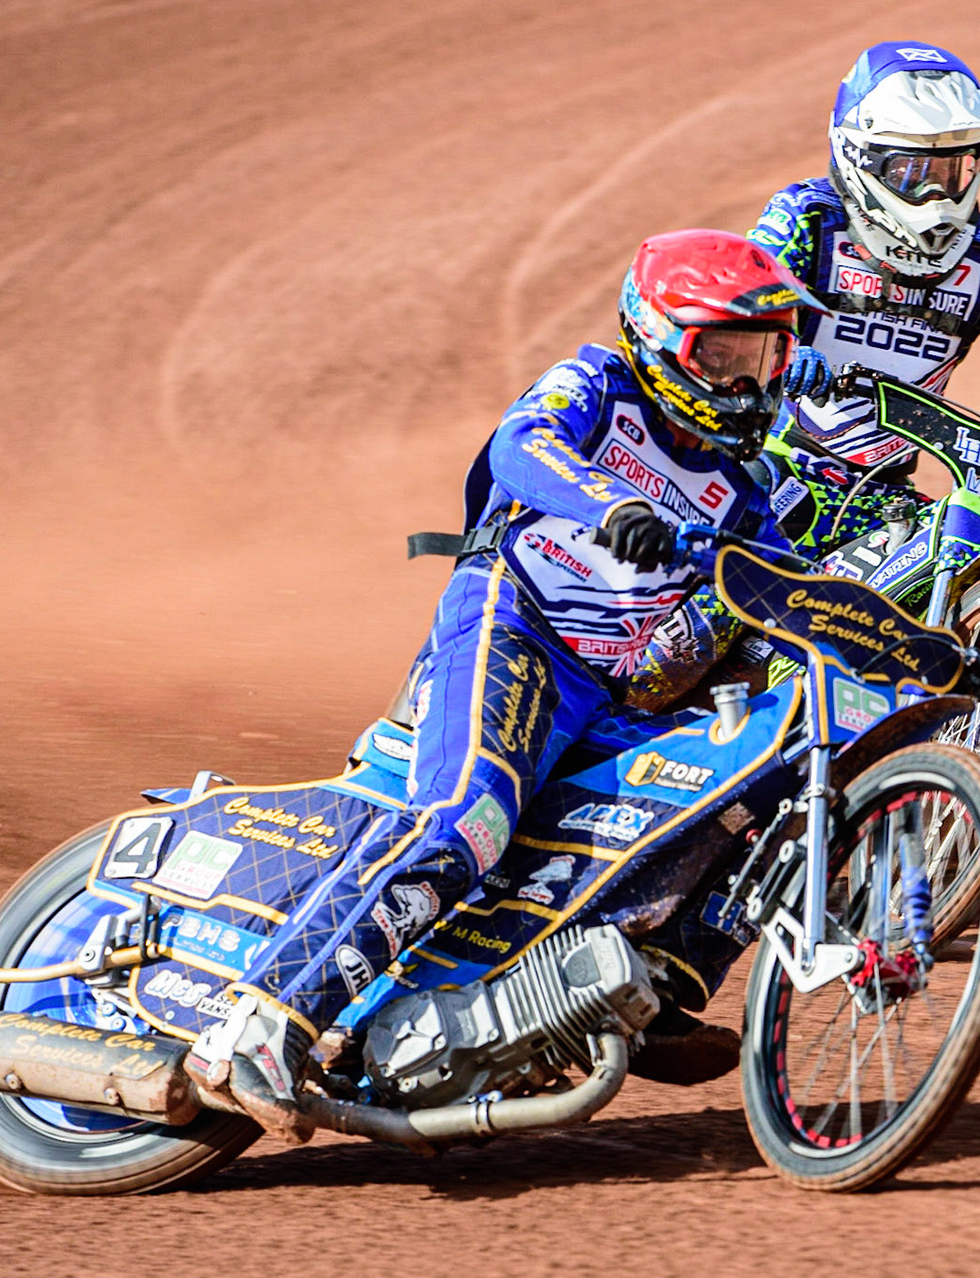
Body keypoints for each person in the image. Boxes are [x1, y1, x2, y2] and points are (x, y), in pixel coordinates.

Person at [187, 230, 825, 1127]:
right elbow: (524, 445)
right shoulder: (597, 384)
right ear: (660, 337)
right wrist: (615, 505)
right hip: (514, 628)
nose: (746, 381)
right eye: (721, 354)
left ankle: (656, 981)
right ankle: (260, 1023)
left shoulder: (747, 490)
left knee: (759, 778)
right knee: (469, 822)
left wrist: (908, 651)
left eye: (763, 356)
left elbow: (788, 597)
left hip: (620, 694)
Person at [630, 39, 980, 712]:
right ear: (860, 158)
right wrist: (785, 355)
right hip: (774, 469)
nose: (936, 193)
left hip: (880, 495)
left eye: (953, 171)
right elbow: (747, 318)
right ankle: (624, 712)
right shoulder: (808, 218)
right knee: (711, 606)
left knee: (930, 603)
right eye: (912, 171)